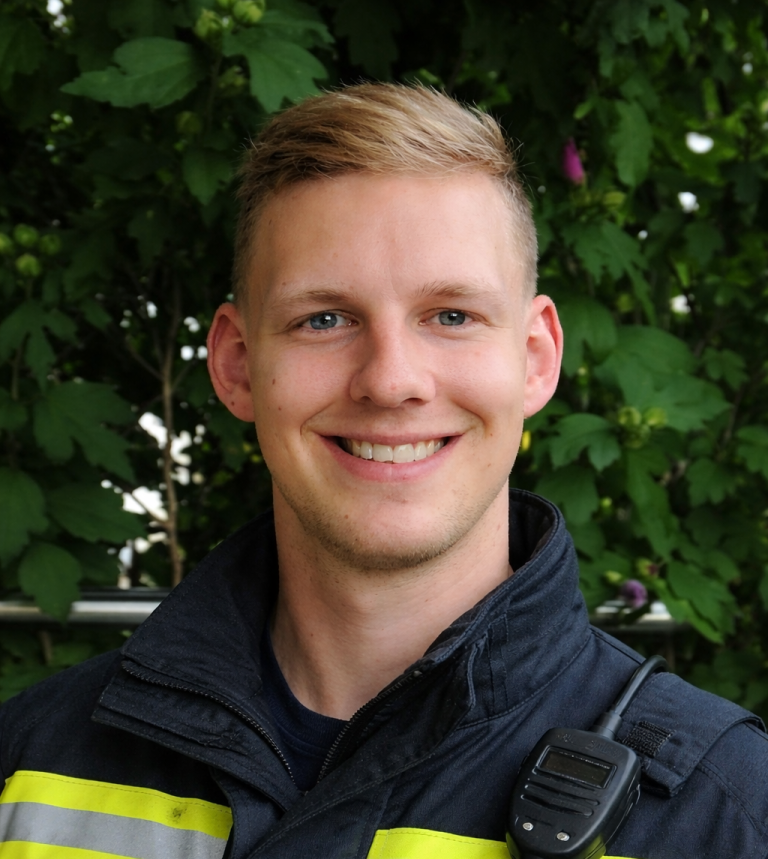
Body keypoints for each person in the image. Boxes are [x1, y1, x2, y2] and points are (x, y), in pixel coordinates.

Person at [0, 84, 766, 859]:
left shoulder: (727, 815)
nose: (392, 380)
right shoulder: (25, 766)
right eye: (324, 319)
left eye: (452, 316)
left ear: (535, 359)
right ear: (235, 364)